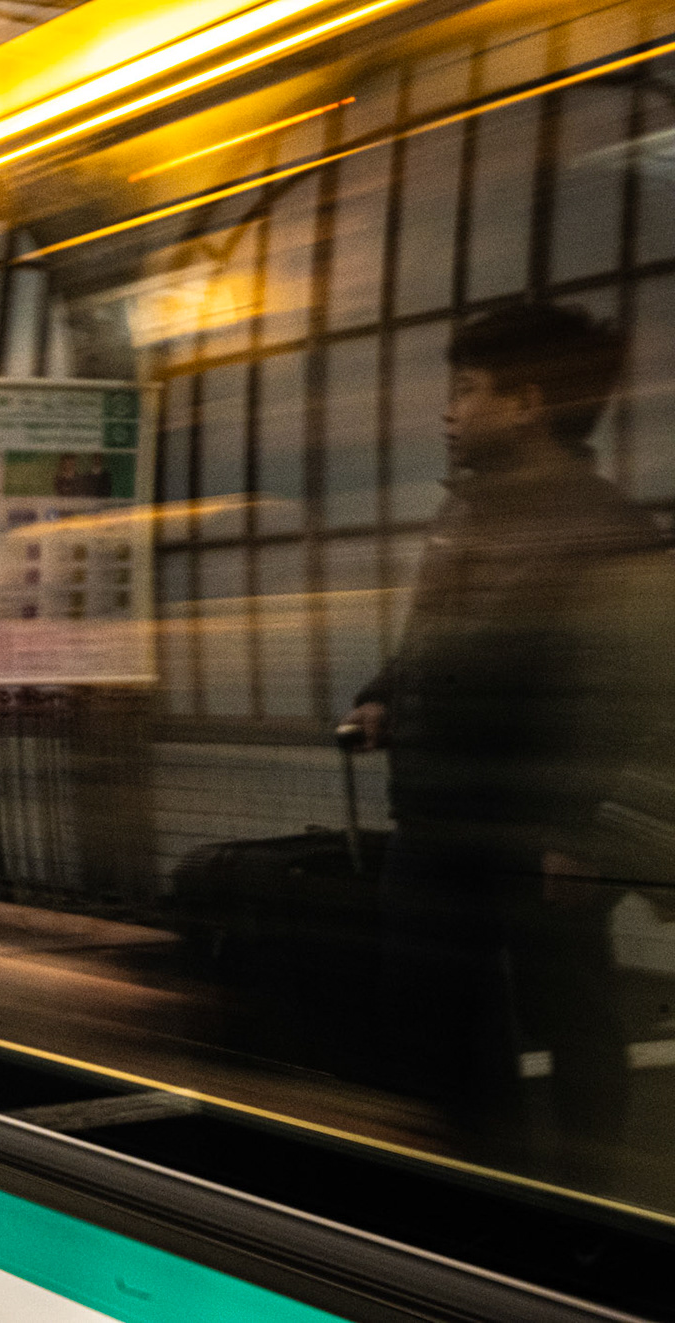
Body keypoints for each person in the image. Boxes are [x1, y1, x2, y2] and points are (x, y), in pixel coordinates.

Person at [342, 303, 675, 1185]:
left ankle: (592, 1207)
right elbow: (433, 638)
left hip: (538, 829)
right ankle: (483, 1188)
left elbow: (630, 690)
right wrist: (382, 692)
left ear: (527, 403)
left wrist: (581, 829)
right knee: (437, 1005)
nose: (449, 411)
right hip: (440, 815)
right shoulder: (471, 511)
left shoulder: (602, 529)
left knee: (570, 1014)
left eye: (467, 390)